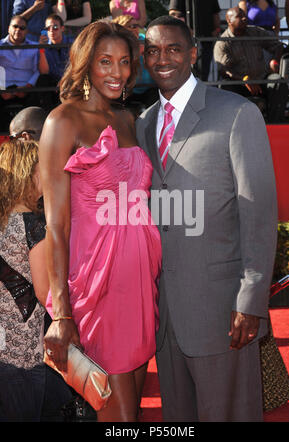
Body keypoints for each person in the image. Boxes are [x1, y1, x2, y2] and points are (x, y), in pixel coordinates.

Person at [136, 15, 278, 422]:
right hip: (166, 317)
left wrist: (251, 299)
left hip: (222, 311)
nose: (162, 58)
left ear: (194, 53)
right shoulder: (144, 123)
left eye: (173, 48)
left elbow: (259, 213)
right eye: (152, 50)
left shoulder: (237, 113)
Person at [38, 20, 162, 422]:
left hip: (140, 282)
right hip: (97, 285)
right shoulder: (63, 121)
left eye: (125, 62)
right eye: (105, 61)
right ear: (86, 64)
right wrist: (62, 312)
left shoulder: (128, 119)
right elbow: (56, 225)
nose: (118, 72)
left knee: (133, 411)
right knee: (120, 416)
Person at [0, 139, 72, 421]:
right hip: (24, 354)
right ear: (28, 173)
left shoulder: (4, 222)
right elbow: (46, 293)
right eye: (42, 168)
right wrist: (69, 321)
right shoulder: (32, 224)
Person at [214, 7, 285, 121]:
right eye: (239, 16)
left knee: (278, 82)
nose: (244, 18)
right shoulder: (222, 43)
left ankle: (275, 123)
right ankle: (231, 125)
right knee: (224, 86)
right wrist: (244, 79)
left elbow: (278, 46)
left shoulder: (255, 31)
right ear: (229, 20)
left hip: (262, 80)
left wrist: (274, 61)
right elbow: (223, 69)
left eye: (245, 16)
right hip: (239, 83)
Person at [0, 15, 40, 131]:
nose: (18, 30)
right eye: (15, 26)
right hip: (3, 89)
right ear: (9, 28)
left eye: (22, 28)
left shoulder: (34, 47)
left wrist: (28, 86)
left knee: (39, 101)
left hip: (27, 89)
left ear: (26, 31)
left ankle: (33, 140)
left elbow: (37, 70)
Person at [112, 14, 158, 112]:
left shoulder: (147, 42)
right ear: (120, 29)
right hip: (127, 89)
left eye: (136, 26)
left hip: (150, 88)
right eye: (130, 26)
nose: (134, 29)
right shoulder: (115, 46)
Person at [38, 13, 74, 110]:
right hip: (53, 84)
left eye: (55, 27)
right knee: (43, 80)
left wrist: (65, 79)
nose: (51, 31)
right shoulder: (44, 46)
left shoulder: (73, 43)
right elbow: (44, 72)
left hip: (71, 80)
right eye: (48, 28)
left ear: (62, 28)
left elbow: (78, 65)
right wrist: (41, 49)